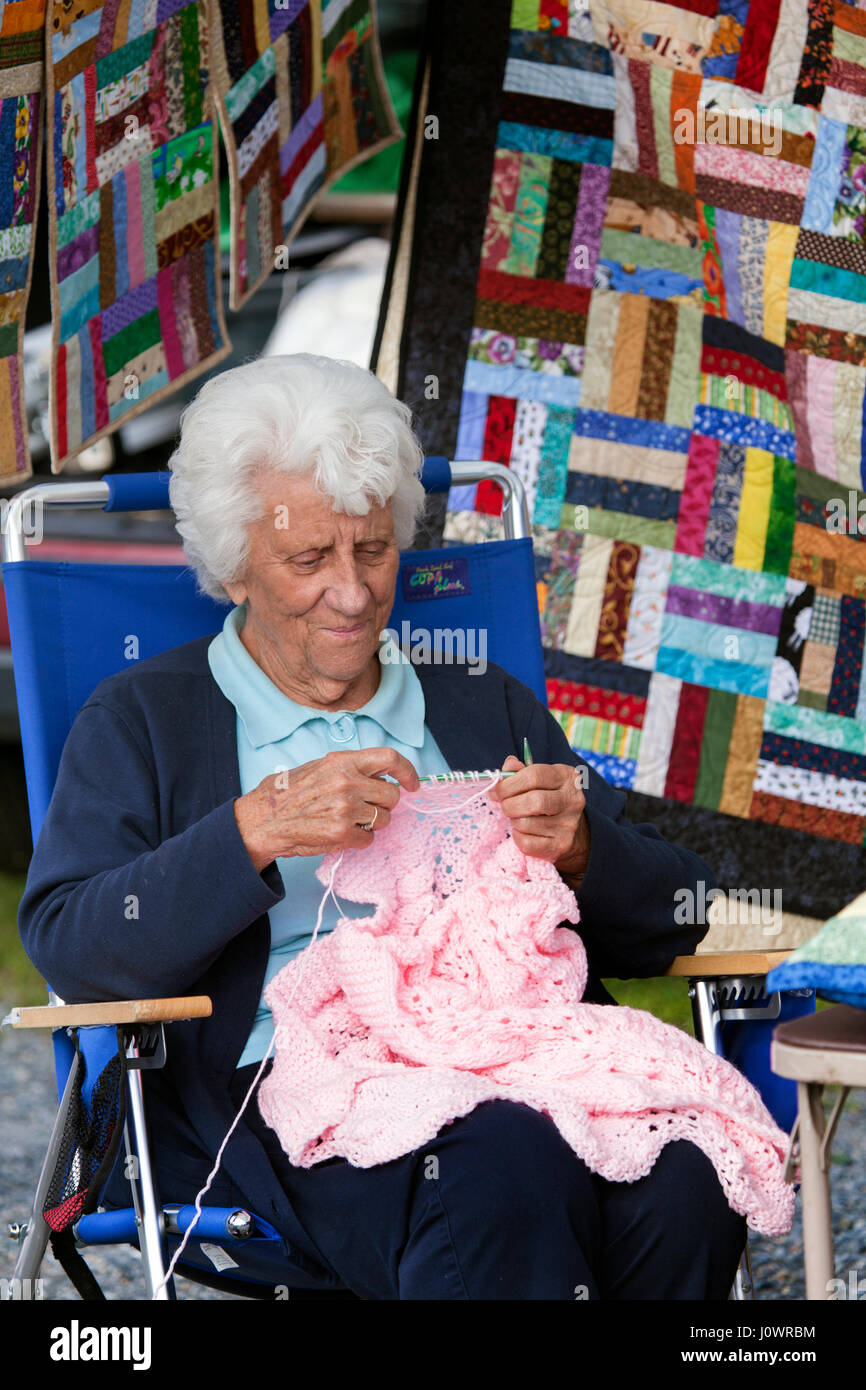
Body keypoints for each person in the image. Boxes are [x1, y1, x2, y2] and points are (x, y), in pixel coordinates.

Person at [18, 353, 745, 1300]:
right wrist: (254, 830)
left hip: (522, 1055)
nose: (354, 593)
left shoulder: (484, 704)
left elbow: (676, 913)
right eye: (310, 558)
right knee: (494, 1159)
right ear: (235, 566)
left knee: (687, 1171)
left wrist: (582, 846)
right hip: (284, 1095)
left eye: (372, 549)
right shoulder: (144, 719)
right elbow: (73, 943)